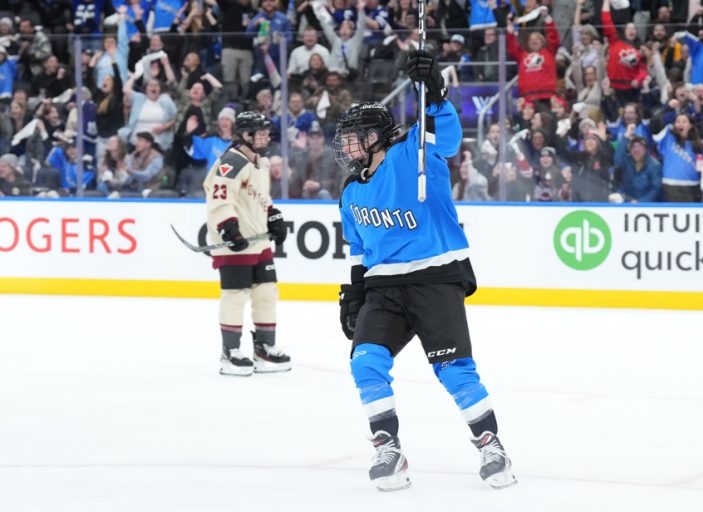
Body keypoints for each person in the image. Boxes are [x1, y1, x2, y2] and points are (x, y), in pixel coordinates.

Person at [334, 50, 516, 491]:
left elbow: (448, 137)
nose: (347, 147)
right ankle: (388, 449)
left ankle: (491, 445)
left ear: (378, 137)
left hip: (435, 276)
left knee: (454, 370)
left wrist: (434, 92)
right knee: (365, 363)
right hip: (383, 290)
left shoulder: (412, 154)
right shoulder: (350, 192)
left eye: (356, 138)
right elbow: (359, 249)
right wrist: (355, 293)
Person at [203, 111, 291, 376]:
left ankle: (264, 347)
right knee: (235, 295)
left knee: (266, 292)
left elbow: (260, 198)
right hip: (233, 242)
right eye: (259, 132)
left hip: (258, 241)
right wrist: (229, 229)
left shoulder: (260, 163)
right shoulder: (230, 161)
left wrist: (273, 215)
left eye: (266, 132)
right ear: (245, 135)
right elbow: (218, 198)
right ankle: (230, 353)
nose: (265, 136)